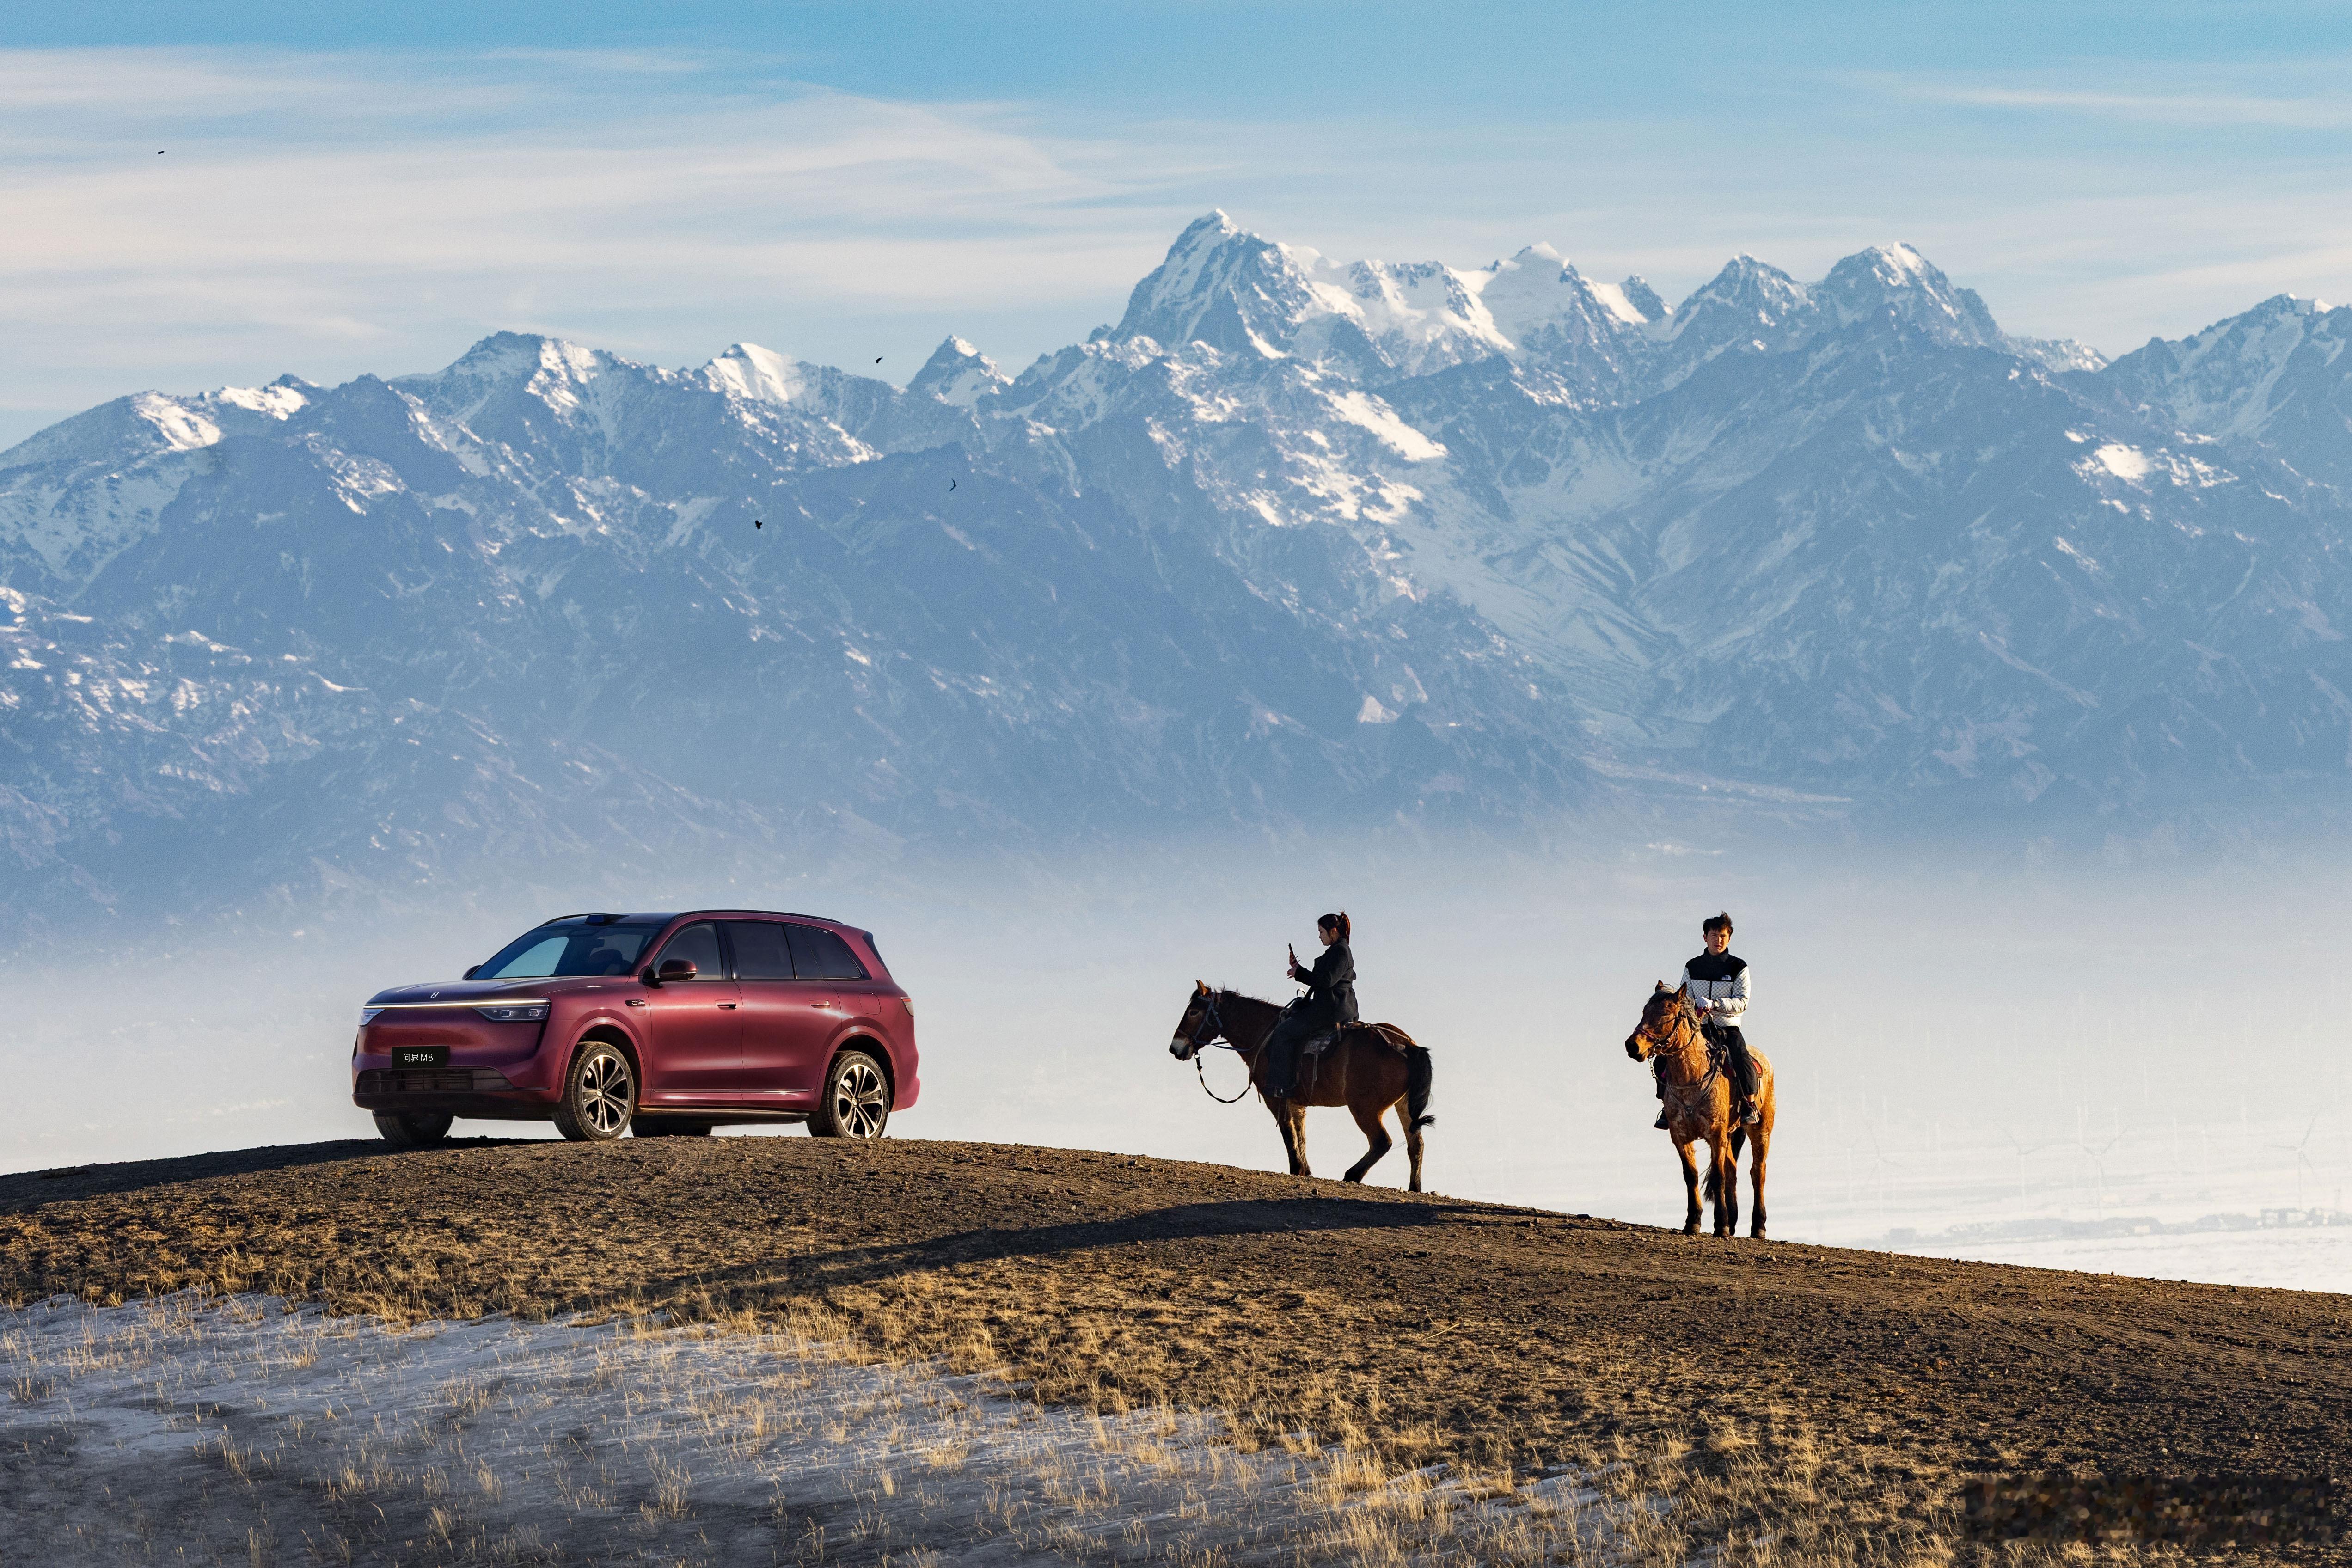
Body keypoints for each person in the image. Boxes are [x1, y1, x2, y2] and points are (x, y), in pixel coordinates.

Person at [1656, 911, 1762, 1127]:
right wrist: (1694, 1008)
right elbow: (1684, 998)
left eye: (1723, 936)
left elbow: (1742, 1001)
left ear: (1729, 938)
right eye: (1714, 935)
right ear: (1705, 937)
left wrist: (1715, 1004)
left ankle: (1749, 1105)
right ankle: (1667, 1106)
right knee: (1663, 1057)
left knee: (1741, 1058)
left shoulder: (1738, 967)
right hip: (1698, 1028)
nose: (1719, 940)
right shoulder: (1693, 966)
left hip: (1727, 1028)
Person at [1262, 912, 1357, 1101]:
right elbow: (1321, 979)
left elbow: (1326, 981)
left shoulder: (1341, 951)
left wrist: (1300, 973)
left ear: (1334, 931)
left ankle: (1281, 1087)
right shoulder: (1336, 951)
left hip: (1331, 1009)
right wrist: (1299, 968)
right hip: (1331, 1006)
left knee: (1283, 1033)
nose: (1320, 936)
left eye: (1322, 932)